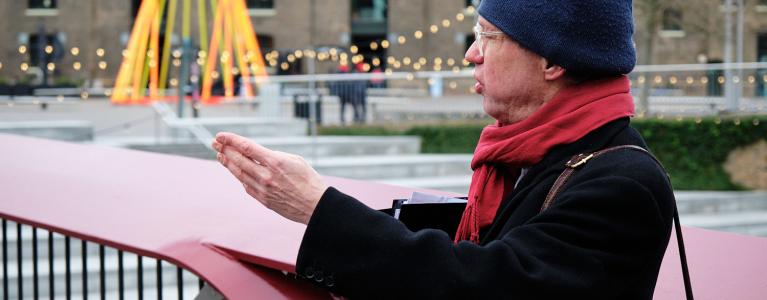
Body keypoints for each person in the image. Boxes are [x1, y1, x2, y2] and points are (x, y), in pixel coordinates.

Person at [211, 0, 675, 298]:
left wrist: (319, 208)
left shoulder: (622, 184)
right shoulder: (546, 151)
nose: (471, 54)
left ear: (552, 60)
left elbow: (485, 287)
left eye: (487, 36)